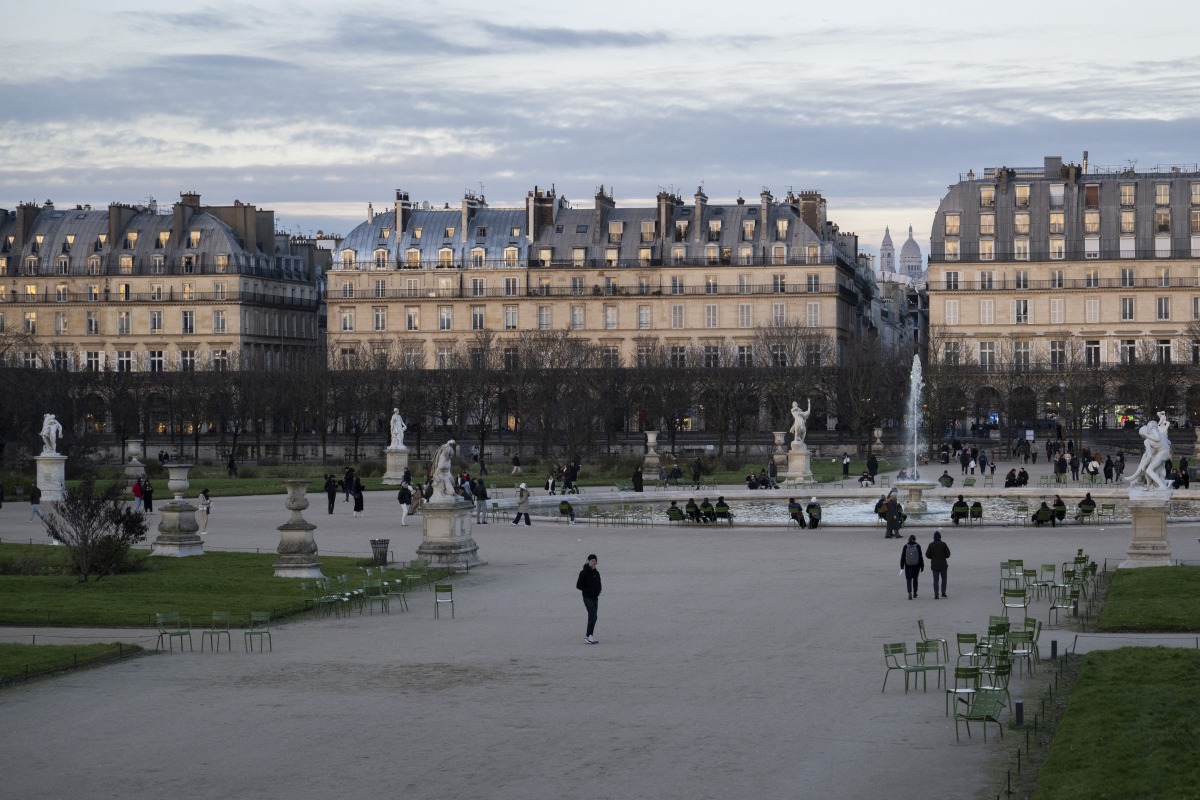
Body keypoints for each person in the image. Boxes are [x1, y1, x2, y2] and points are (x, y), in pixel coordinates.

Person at [576, 554, 602, 644]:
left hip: (595, 597)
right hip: (587, 597)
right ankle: (588, 636)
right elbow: (578, 585)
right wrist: (589, 590)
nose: (593, 563)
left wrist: (598, 591)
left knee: (594, 617)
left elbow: (599, 584)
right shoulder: (583, 572)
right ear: (588, 561)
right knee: (593, 616)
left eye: (595, 561)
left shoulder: (596, 573)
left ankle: (589, 636)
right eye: (592, 561)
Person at [925, 530, 950, 600]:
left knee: (935, 580)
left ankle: (936, 594)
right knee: (944, 579)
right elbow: (948, 555)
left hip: (934, 565)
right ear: (940, 537)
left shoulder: (931, 545)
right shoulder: (944, 544)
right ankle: (943, 593)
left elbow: (927, 555)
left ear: (934, 538)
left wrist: (932, 557)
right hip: (943, 565)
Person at [901, 534, 924, 600]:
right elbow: (920, 557)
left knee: (908, 579)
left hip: (908, 565)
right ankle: (915, 593)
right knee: (915, 579)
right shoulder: (918, 546)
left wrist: (902, 566)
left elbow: (903, 557)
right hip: (916, 566)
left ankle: (909, 592)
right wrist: (922, 566)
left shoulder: (905, 546)